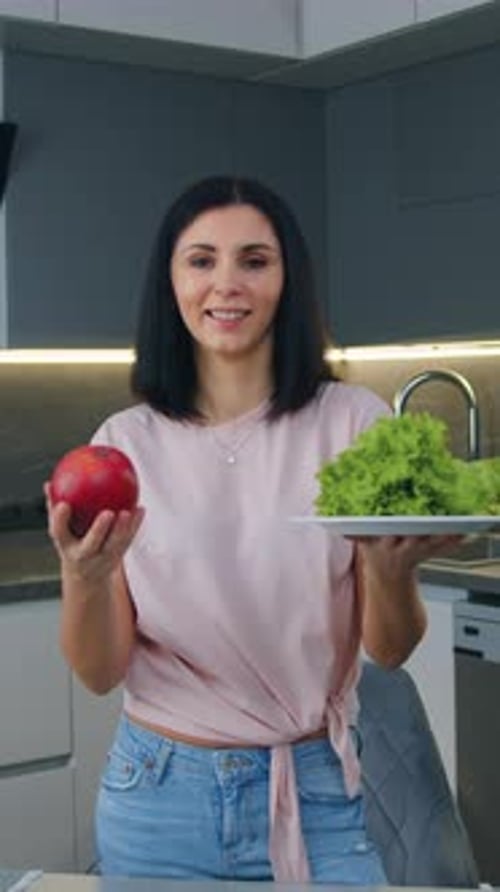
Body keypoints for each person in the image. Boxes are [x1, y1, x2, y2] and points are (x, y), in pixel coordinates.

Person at [46, 175, 459, 884]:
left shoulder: (354, 424)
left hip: (318, 790)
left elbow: (389, 651)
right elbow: (98, 671)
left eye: (255, 261)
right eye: (201, 260)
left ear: (286, 279)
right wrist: (84, 579)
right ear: (170, 282)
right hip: (160, 796)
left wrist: (391, 571)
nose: (226, 284)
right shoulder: (123, 444)